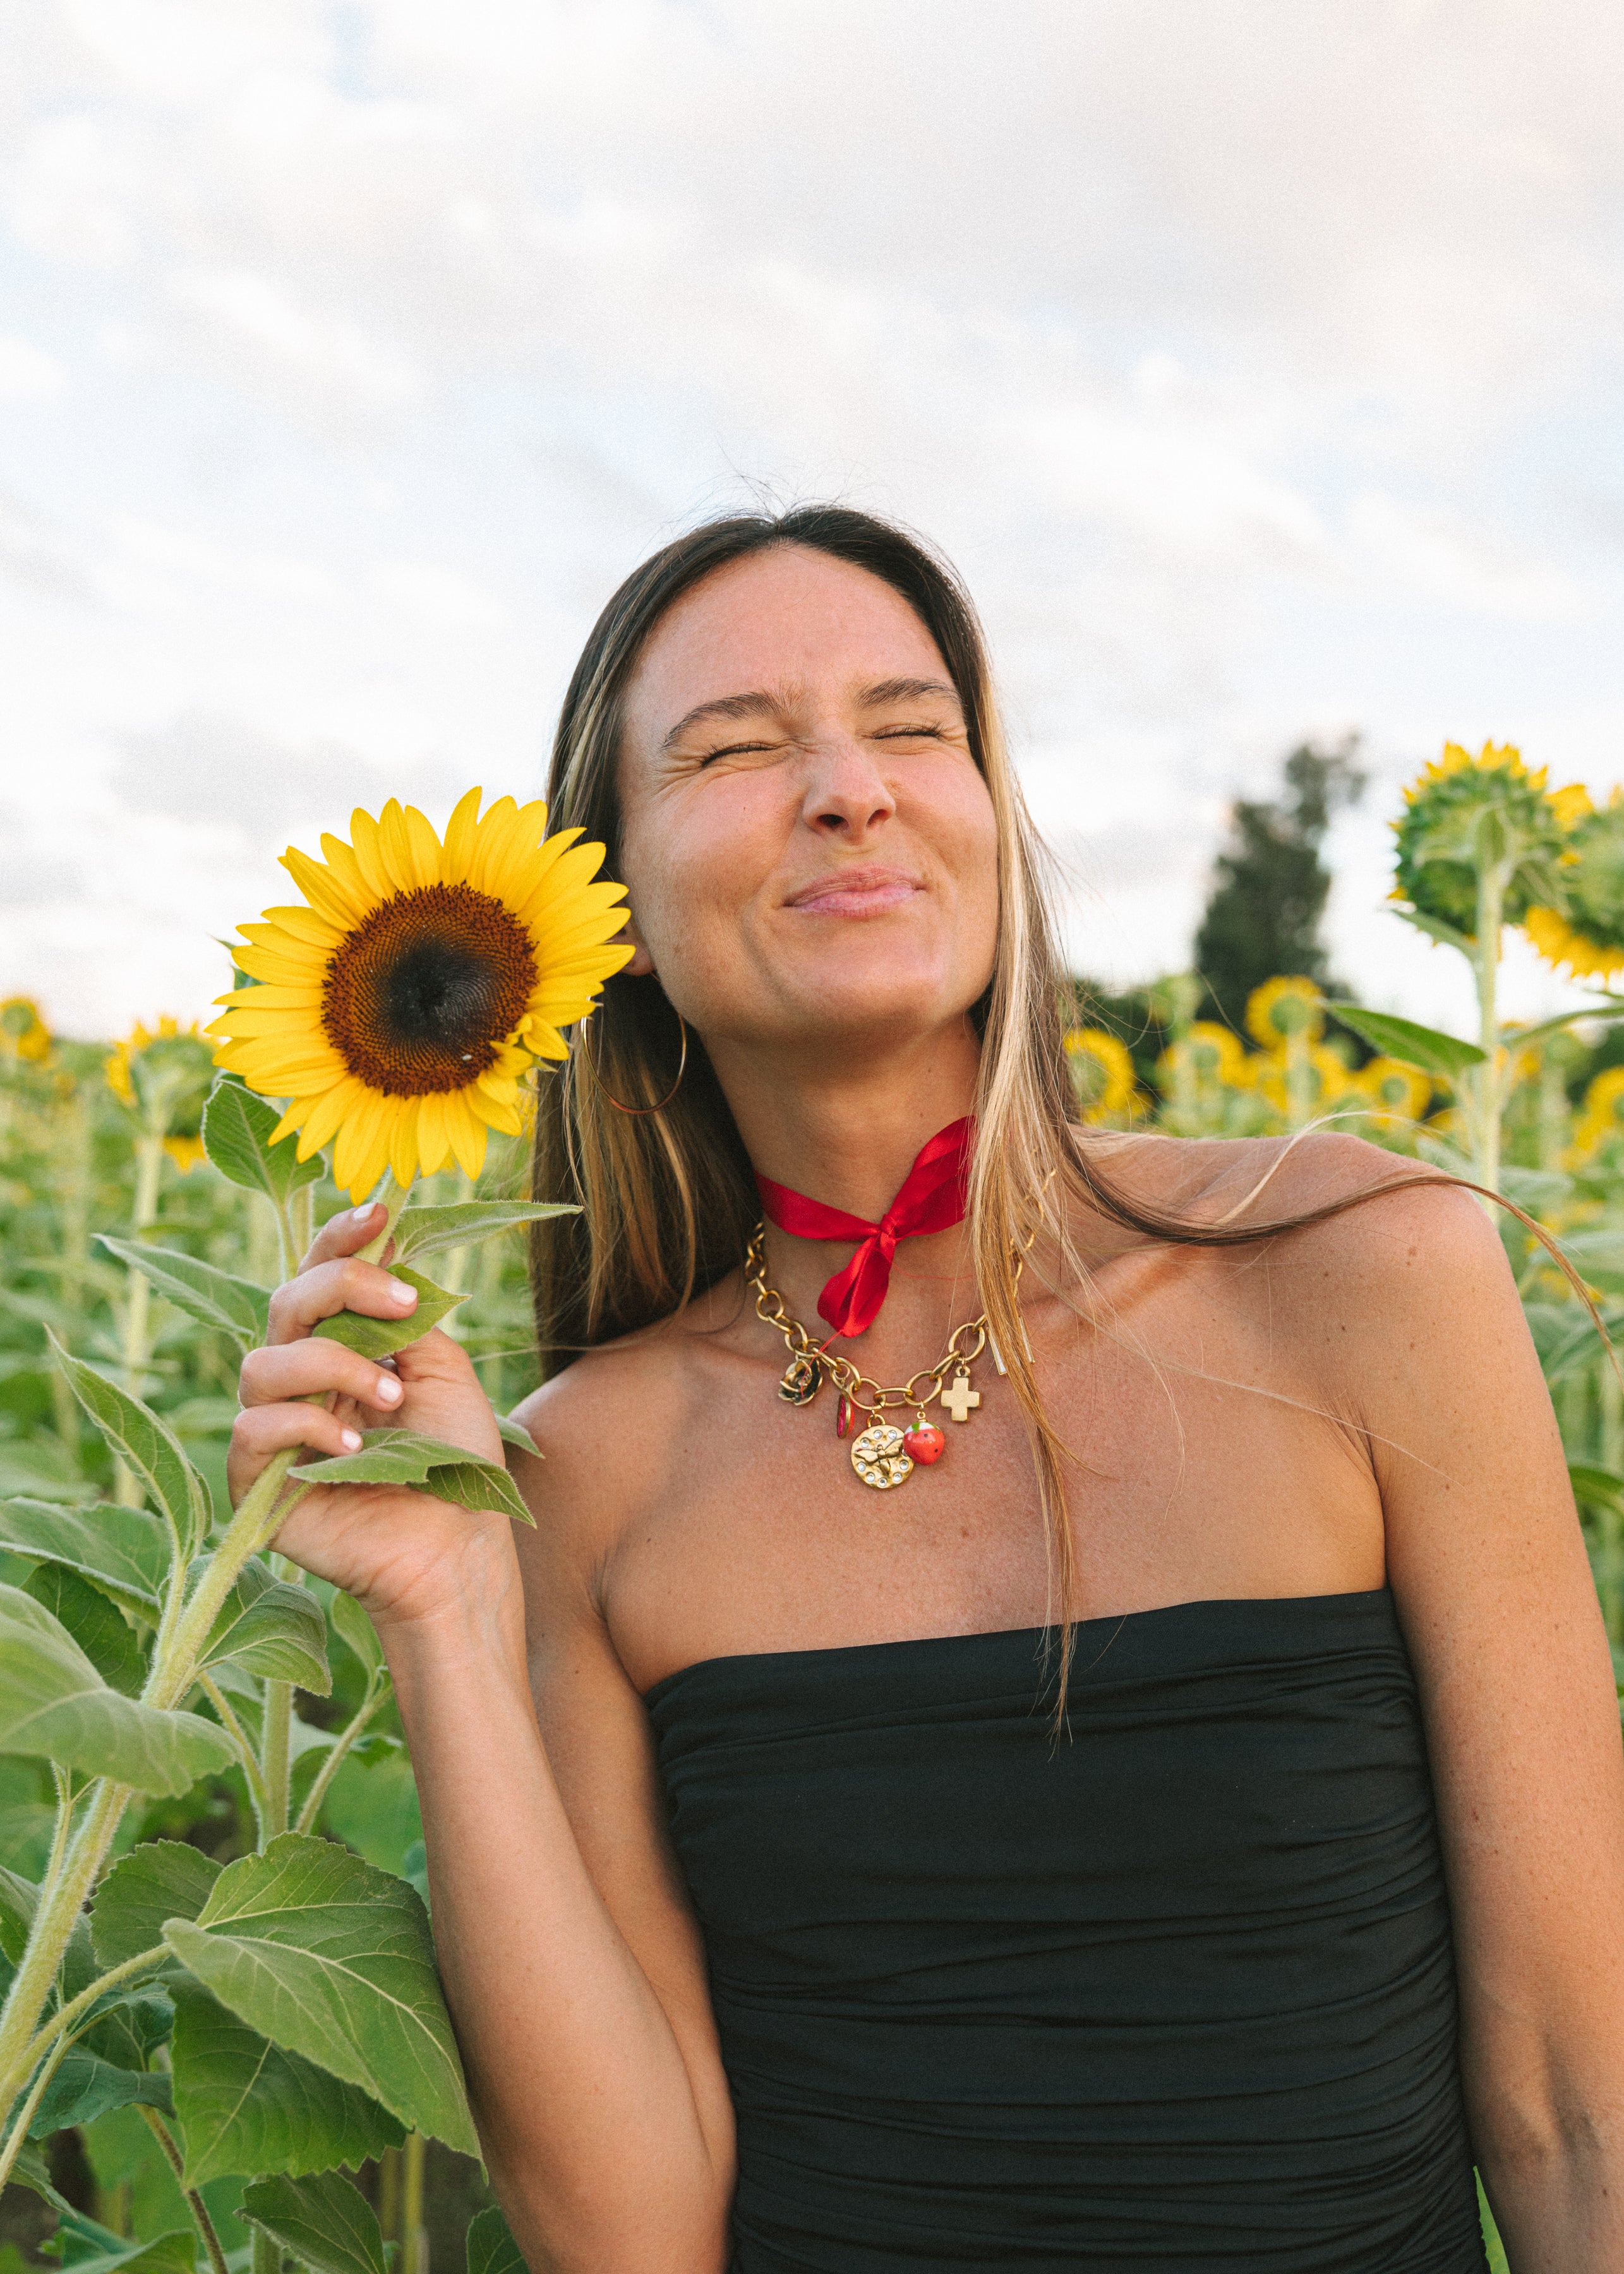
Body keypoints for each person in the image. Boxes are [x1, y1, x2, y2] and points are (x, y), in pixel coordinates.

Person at [229, 506, 1624, 2274]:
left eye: (911, 726)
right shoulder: (579, 1473)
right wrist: (444, 1612)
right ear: (606, 916)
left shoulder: (1359, 1267)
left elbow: (1581, 2102)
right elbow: (634, 2238)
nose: (849, 789)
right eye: (735, 750)